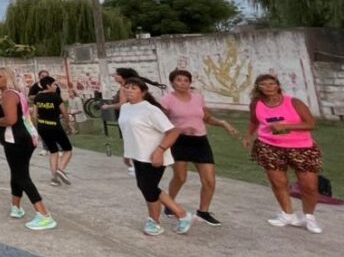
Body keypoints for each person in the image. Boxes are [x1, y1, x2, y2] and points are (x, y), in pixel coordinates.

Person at [116, 77, 193, 236]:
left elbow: (173, 131)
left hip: (153, 156)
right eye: (127, 87)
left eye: (134, 88)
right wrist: (127, 154)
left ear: (143, 92)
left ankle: (177, 215)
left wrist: (159, 151)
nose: (129, 90)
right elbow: (128, 133)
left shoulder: (150, 110)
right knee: (147, 188)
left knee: (149, 188)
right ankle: (159, 220)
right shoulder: (125, 108)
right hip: (137, 156)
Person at [248, 74, 324, 234]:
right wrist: (249, 136)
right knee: (278, 183)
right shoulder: (256, 104)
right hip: (269, 146)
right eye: (264, 84)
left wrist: (285, 127)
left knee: (309, 185)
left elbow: (311, 124)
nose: (268, 87)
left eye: (271, 83)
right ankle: (287, 214)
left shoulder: (294, 102)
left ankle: (308, 217)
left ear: (277, 86)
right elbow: (254, 121)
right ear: (258, 87)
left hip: (301, 147)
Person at [161, 69, 237, 227]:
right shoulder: (167, 100)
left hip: (200, 141)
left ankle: (203, 212)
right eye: (179, 80)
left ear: (190, 83)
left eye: (186, 80)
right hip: (179, 141)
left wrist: (223, 123)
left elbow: (207, 118)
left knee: (209, 180)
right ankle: (169, 204)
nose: (182, 83)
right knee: (180, 177)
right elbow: (161, 121)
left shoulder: (198, 98)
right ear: (172, 83)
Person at [0, 68, 56, 230]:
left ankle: (44, 215)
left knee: (21, 176)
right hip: (24, 137)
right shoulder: (15, 94)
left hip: (17, 139)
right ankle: (16, 207)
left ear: (7, 79)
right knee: (17, 172)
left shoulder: (8, 95)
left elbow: (11, 120)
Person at [31, 76, 74, 186]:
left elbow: (34, 115)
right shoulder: (55, 97)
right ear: (48, 85)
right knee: (68, 149)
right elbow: (64, 113)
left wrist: (37, 128)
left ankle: (54, 178)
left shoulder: (38, 97)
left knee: (53, 151)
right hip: (55, 126)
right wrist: (69, 124)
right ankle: (60, 169)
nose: (56, 87)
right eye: (54, 84)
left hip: (42, 127)